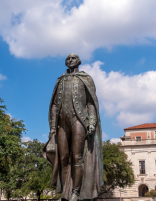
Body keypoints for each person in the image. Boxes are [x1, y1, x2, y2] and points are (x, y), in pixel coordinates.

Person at [43, 53, 103, 201]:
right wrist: (52, 127)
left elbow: (90, 102)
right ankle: (65, 192)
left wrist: (91, 122)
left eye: (73, 58)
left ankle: (76, 192)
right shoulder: (61, 80)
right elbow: (55, 105)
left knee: (77, 157)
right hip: (62, 123)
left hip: (79, 120)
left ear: (79, 61)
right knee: (64, 158)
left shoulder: (86, 78)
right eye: (68, 58)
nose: (70, 60)